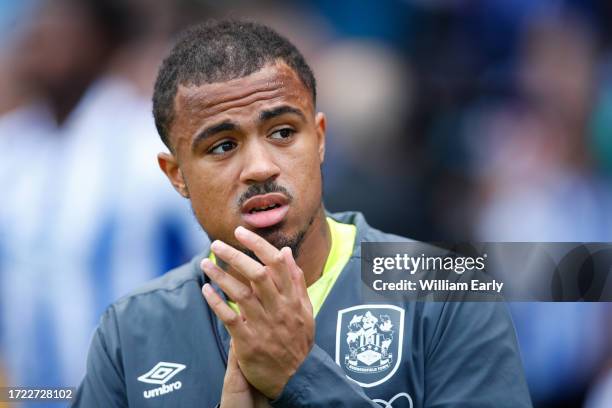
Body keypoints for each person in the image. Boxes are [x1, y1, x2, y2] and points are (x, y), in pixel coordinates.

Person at [73, 20, 532, 407]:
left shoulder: (450, 291)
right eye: (223, 145)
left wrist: (299, 377)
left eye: (283, 132)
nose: (260, 168)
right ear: (177, 175)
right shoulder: (130, 331)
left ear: (321, 139)